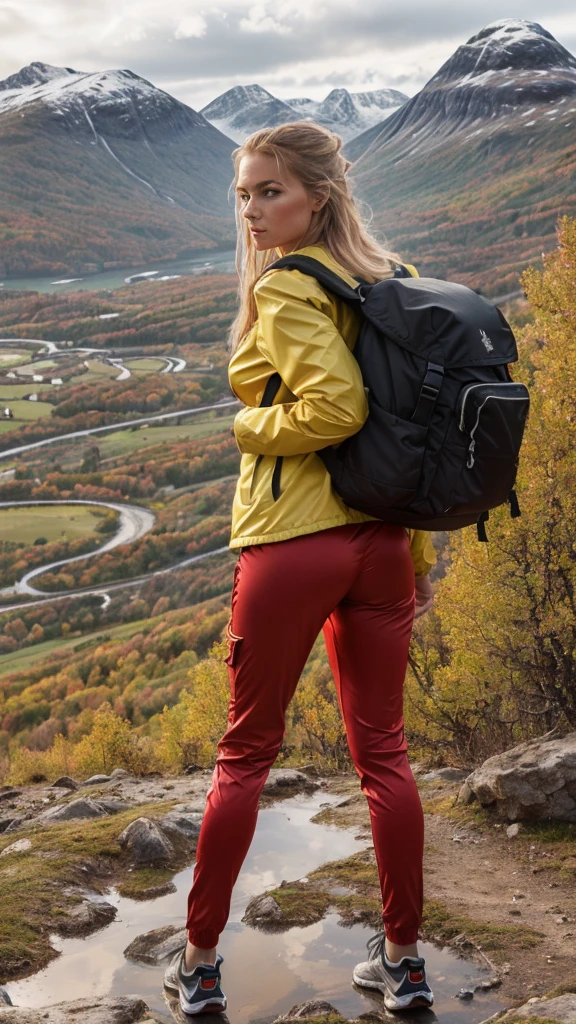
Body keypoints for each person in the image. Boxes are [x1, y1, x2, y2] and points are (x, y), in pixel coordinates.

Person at [164, 121, 436, 1014]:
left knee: (243, 756)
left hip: (295, 543)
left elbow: (342, 408)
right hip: (382, 542)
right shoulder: (384, 280)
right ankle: (403, 963)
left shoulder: (288, 287)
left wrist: (248, 427)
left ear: (316, 195)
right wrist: (417, 552)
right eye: (243, 192)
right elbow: (410, 431)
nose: (251, 209)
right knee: (385, 758)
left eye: (269, 191)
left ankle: (201, 965)